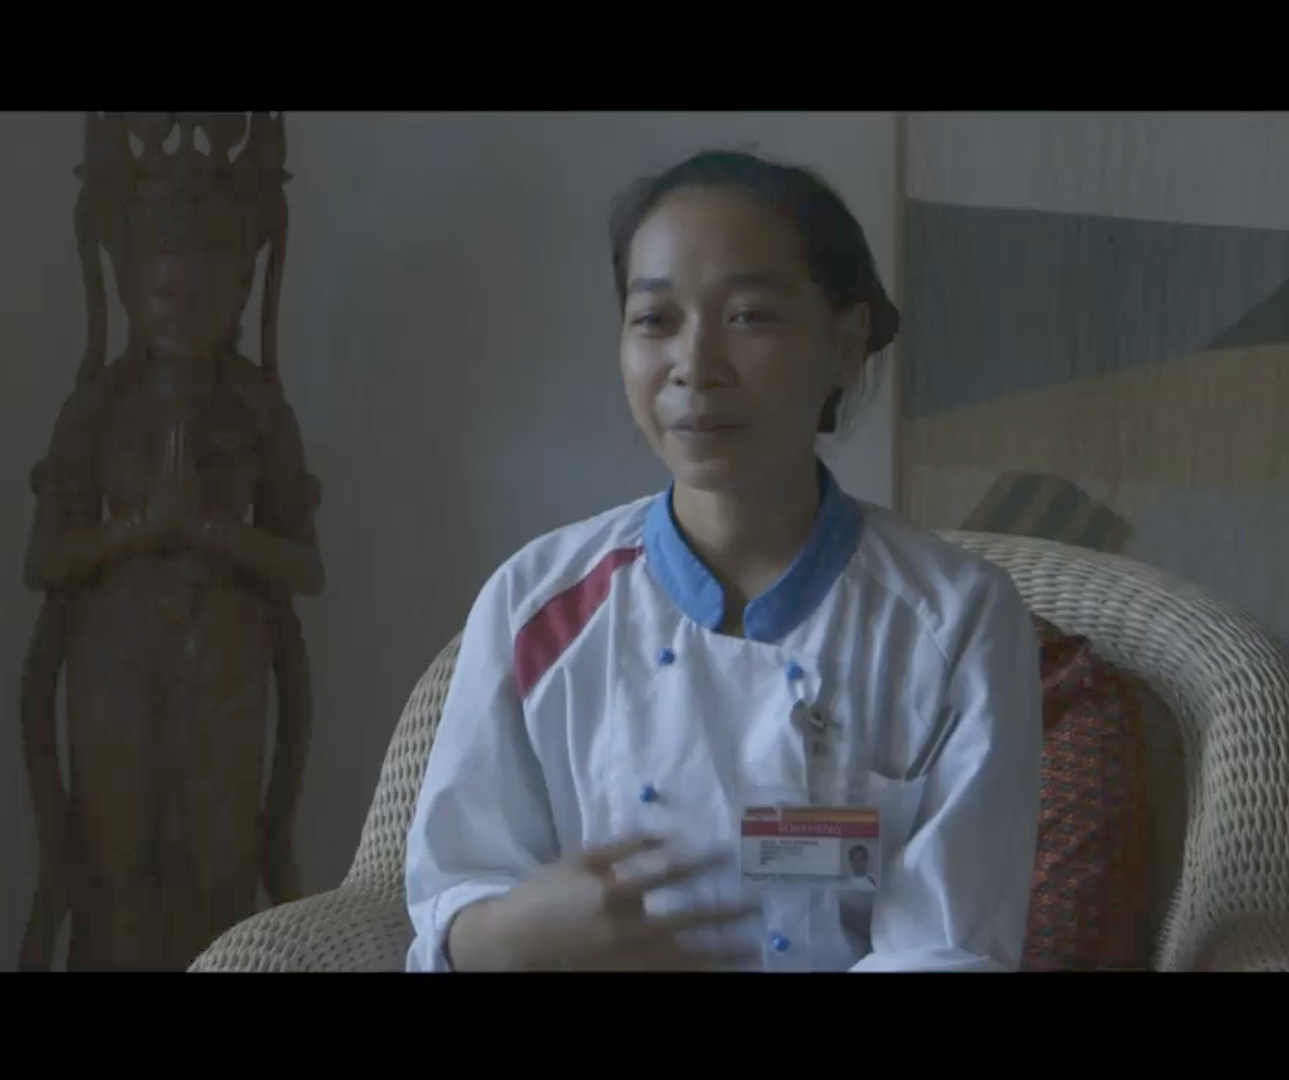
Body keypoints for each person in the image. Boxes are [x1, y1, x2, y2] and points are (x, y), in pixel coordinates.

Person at [403, 149, 1043, 973]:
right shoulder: (536, 605)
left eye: (749, 316)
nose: (695, 366)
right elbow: (450, 904)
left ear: (846, 342)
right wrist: (517, 930)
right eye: (654, 319)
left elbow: (946, 949)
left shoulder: (955, 620)